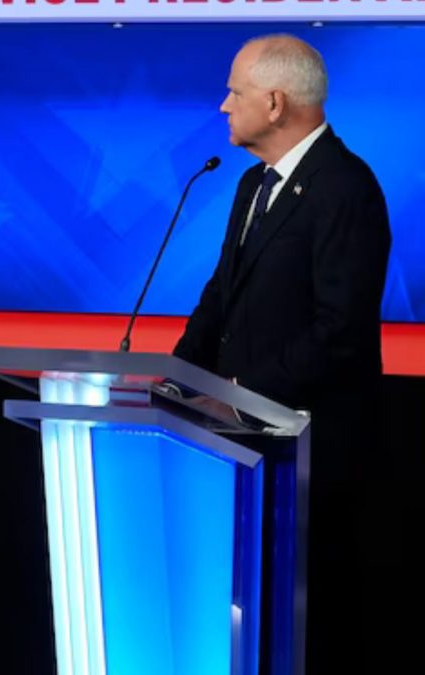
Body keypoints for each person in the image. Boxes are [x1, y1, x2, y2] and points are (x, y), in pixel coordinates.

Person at [174, 35, 390, 672]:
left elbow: (339, 331)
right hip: (244, 445)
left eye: (234, 93)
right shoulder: (250, 184)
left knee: (306, 630)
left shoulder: (345, 187)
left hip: (311, 456)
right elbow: (222, 292)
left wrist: (239, 391)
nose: (222, 106)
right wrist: (179, 380)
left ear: (274, 102)